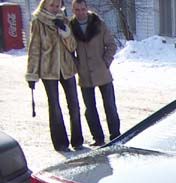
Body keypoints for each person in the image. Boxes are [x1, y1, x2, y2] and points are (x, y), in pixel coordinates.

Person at [25, 0, 84, 152]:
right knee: (55, 106)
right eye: (51, 5)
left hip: (67, 68)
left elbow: (72, 46)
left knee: (74, 104)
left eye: (57, 6)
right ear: (44, 5)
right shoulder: (38, 21)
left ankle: (77, 140)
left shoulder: (63, 20)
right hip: (48, 70)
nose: (54, 8)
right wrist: (32, 74)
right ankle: (60, 143)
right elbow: (34, 49)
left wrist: (65, 32)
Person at [69, 0, 120, 146]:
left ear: (87, 8)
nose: (80, 12)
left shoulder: (98, 23)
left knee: (110, 105)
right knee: (90, 109)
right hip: (85, 74)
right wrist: (77, 65)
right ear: (73, 10)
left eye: (83, 9)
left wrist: (105, 62)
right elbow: (69, 50)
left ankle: (115, 135)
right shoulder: (71, 27)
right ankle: (98, 138)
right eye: (77, 10)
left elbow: (111, 45)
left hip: (102, 72)